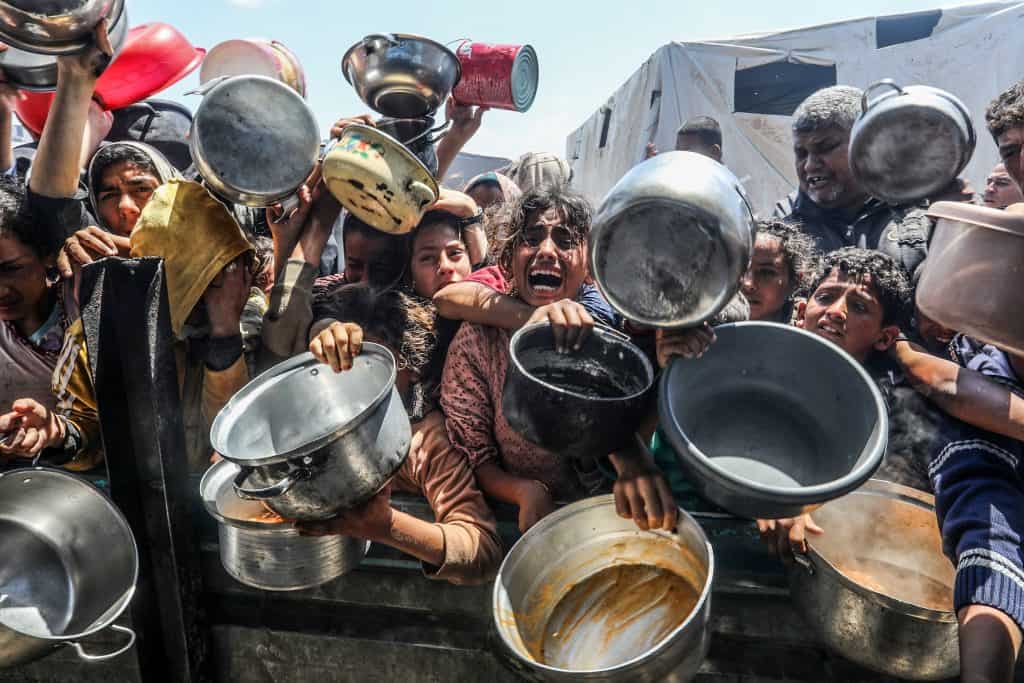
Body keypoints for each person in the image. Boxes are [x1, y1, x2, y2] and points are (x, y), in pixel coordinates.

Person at [440, 185, 675, 533]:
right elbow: (474, 454)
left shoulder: (611, 336)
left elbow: (628, 432)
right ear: (509, 259)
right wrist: (524, 491)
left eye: (565, 241)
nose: (546, 251)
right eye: (532, 238)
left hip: (603, 523)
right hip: (516, 523)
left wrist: (633, 459)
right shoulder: (478, 339)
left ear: (589, 267)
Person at [0, 181, 256, 471]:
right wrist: (58, 433)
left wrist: (225, 335)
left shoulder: (254, 318)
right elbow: (91, 432)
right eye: (198, 281)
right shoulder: (98, 335)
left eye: (228, 273)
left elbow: (236, 435)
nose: (219, 294)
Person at [299, 284, 502, 585]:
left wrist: (386, 527)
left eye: (375, 367)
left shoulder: (425, 442)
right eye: (343, 365)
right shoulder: (309, 415)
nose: (355, 381)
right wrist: (323, 329)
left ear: (412, 370)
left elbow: (482, 549)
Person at [773, 85, 931, 277]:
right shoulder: (785, 222)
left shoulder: (920, 209)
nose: (809, 166)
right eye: (801, 153)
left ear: (867, 143)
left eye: (826, 147)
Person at [740, 219, 817, 322]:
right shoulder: (713, 317)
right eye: (741, 268)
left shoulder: (808, 329)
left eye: (766, 273)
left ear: (795, 282)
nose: (748, 284)